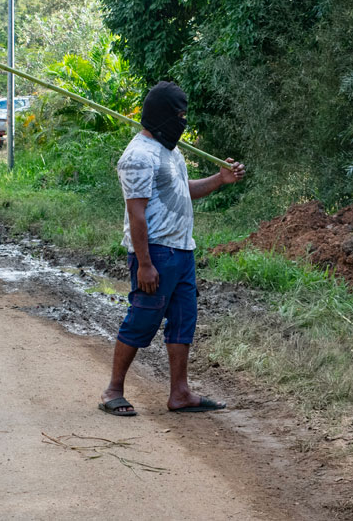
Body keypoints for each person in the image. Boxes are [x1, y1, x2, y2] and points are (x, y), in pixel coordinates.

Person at [99, 81, 246, 416]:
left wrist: (220, 179)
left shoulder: (170, 151)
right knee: (141, 320)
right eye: (179, 115)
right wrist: (145, 263)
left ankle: (180, 393)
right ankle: (113, 391)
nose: (183, 121)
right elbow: (136, 214)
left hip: (182, 250)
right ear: (163, 115)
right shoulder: (137, 156)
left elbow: (183, 190)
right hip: (155, 253)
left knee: (183, 322)